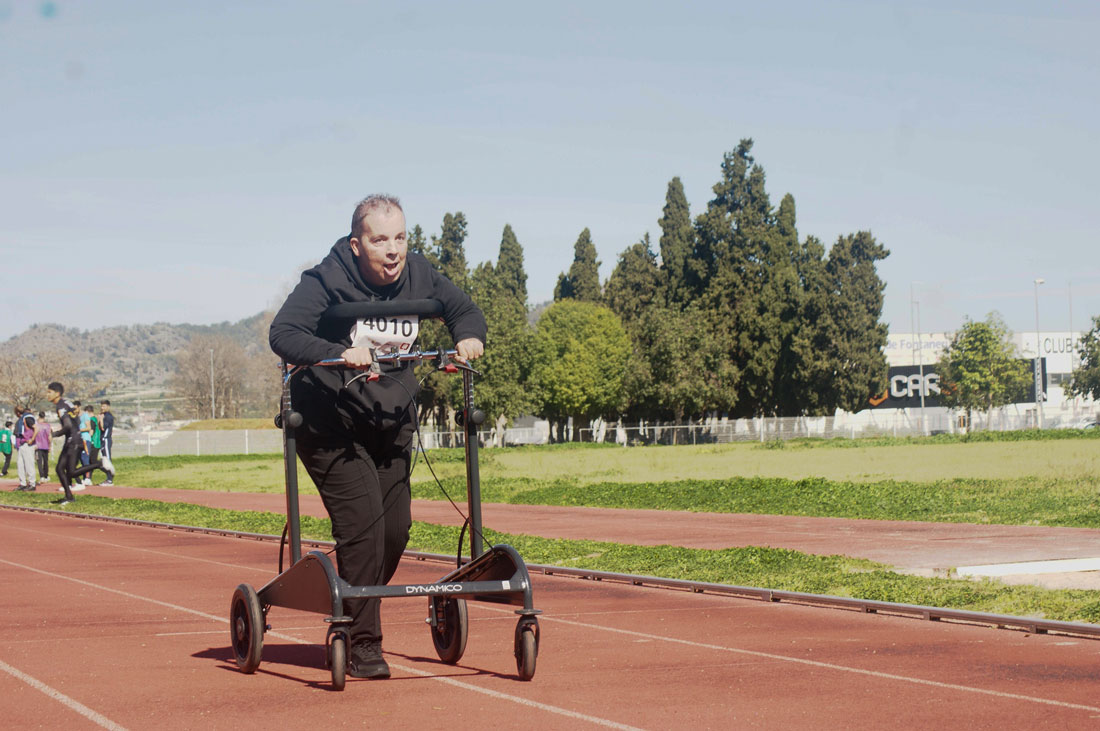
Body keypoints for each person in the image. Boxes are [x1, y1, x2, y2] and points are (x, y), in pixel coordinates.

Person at [269, 194, 486, 680]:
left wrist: (469, 335)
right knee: (364, 527)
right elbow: (283, 333)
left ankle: (351, 598)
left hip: (389, 420)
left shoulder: (420, 274)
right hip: (328, 423)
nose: (393, 250)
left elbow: (464, 311)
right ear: (356, 245)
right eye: (380, 240)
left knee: (394, 531)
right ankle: (361, 641)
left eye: (400, 238)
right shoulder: (326, 278)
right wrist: (334, 352)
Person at [15, 410, 37, 491]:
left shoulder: (28, 418)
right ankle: (23, 483)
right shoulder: (22, 419)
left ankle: (32, 484)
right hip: (22, 443)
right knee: (20, 464)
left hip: (28, 444)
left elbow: (36, 428)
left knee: (29, 464)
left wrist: (32, 439)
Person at [98, 400, 115, 485]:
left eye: (104, 406)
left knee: (107, 459)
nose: (102, 408)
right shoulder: (103, 415)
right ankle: (109, 477)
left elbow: (103, 428)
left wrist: (101, 419)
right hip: (102, 440)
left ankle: (110, 479)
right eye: (101, 406)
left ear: (108, 407)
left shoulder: (108, 416)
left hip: (106, 439)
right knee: (103, 460)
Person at [34, 412, 51, 483]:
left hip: (38, 446)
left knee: (39, 462)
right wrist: (50, 445)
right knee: (46, 461)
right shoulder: (47, 425)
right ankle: (46, 476)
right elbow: (49, 436)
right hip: (46, 445)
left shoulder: (36, 425)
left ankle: (42, 476)